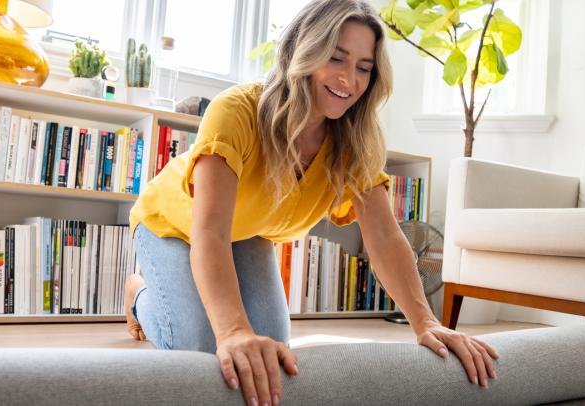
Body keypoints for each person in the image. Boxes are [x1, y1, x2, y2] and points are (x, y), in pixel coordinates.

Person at [123, 1, 499, 405]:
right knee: (203, 348)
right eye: (335, 57)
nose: (348, 79)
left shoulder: (358, 140)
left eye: (363, 66)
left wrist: (425, 321)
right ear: (303, 51)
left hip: (249, 233)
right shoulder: (236, 110)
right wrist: (232, 332)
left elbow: (385, 237)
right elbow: (209, 231)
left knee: (270, 351)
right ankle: (139, 294)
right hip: (175, 225)